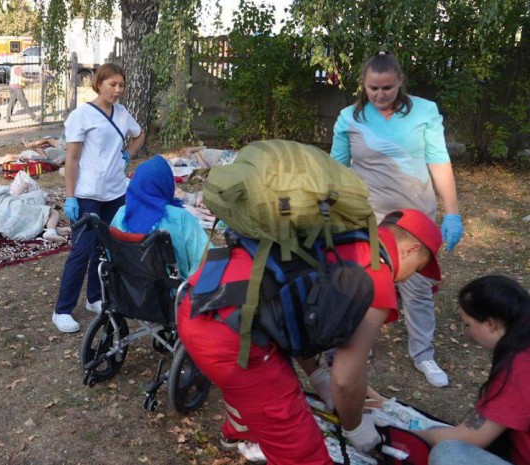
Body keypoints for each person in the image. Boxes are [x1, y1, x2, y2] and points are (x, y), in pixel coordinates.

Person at [178, 209, 443, 465]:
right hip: (228, 334)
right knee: (303, 454)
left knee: (251, 391)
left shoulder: (344, 237)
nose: (409, 277)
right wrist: (355, 427)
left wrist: (318, 376)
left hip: (201, 298)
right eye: (417, 268)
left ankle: (239, 433)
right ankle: (254, 435)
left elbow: (300, 311)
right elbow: (346, 378)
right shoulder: (377, 275)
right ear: (411, 250)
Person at [331, 51, 463, 388]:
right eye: (373, 88)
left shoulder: (424, 112)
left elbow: (438, 161)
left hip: (415, 219)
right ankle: (355, 344)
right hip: (369, 217)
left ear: (400, 82)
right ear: (363, 84)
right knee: (364, 283)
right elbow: (335, 169)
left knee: (417, 288)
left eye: (387, 87)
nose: (380, 94)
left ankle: (423, 354)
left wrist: (452, 212)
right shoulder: (349, 118)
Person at [51, 63, 145, 333]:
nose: (117, 90)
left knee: (107, 249)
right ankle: (62, 310)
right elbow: (72, 158)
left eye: (121, 85)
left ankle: (94, 297)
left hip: (116, 192)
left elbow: (139, 135)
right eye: (112, 84)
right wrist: (71, 197)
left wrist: (127, 154)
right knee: (82, 251)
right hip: (89, 194)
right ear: (98, 84)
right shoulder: (82, 116)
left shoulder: (123, 113)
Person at [415, 275, 530, 465]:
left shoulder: (520, 367)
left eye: (468, 324)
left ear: (491, 323)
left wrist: (406, 433)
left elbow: (469, 437)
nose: (467, 334)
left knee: (448, 452)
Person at [110, 155, 209, 279]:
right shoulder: (181, 218)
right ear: (166, 183)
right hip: (172, 293)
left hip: (128, 289)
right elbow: (205, 261)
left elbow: (111, 255)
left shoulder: (121, 214)